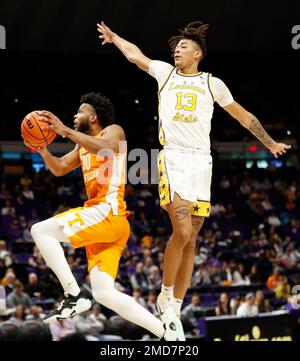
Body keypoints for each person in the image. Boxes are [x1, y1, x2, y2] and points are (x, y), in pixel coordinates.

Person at [97, 20, 291, 340]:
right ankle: (164, 292)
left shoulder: (213, 84)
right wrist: (116, 38)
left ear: (198, 53)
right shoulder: (165, 73)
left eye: (183, 46)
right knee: (182, 228)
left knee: (194, 236)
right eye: (175, 47)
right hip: (174, 157)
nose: (176, 50)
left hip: (202, 161)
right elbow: (135, 55)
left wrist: (269, 142)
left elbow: (244, 116)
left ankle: (174, 302)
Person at [24, 92, 178, 340]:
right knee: (104, 293)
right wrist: (43, 150)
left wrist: (64, 130)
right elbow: (60, 167)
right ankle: (165, 334)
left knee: (40, 230)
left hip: (107, 212)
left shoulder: (113, 132)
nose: (75, 116)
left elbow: (105, 148)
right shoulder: (82, 145)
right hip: (107, 222)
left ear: (93, 116)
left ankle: (73, 295)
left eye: (79, 111)